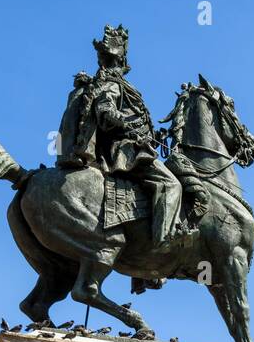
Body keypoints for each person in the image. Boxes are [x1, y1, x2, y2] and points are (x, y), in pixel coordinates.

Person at [57, 24, 184, 250]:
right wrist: (129, 127)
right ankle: (164, 242)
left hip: (133, 146)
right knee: (171, 185)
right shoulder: (113, 85)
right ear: (121, 60)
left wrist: (154, 135)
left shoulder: (116, 83)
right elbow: (106, 114)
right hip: (124, 151)